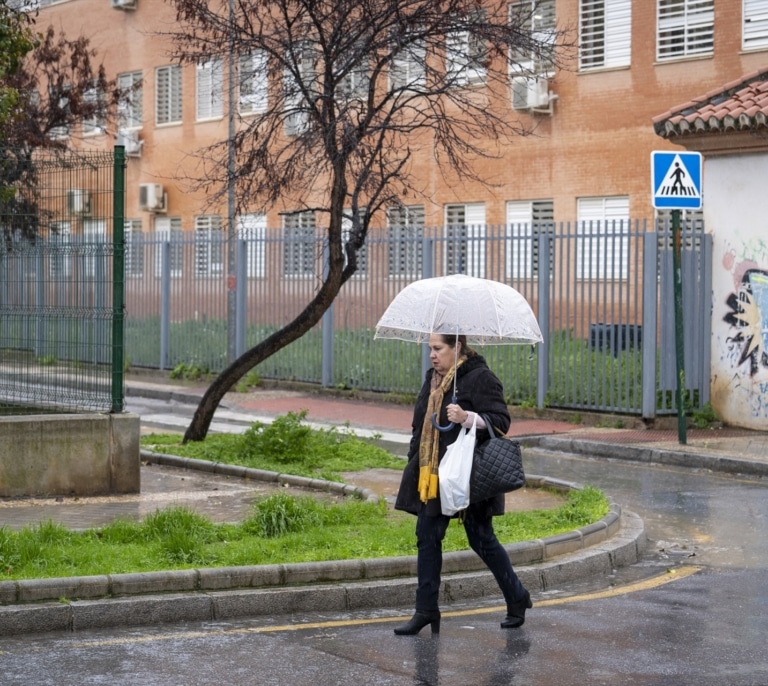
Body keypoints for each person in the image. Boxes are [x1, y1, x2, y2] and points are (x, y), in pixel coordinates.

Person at [393, 333, 532, 635]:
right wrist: (414, 461)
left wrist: (467, 417)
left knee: (481, 539)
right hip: (435, 474)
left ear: (456, 347)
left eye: (438, 349)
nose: (432, 355)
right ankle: (426, 610)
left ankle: (517, 597)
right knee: (427, 535)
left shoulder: (480, 377)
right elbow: (421, 423)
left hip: (469, 475)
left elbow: (501, 421)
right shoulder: (433, 379)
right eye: (430, 348)